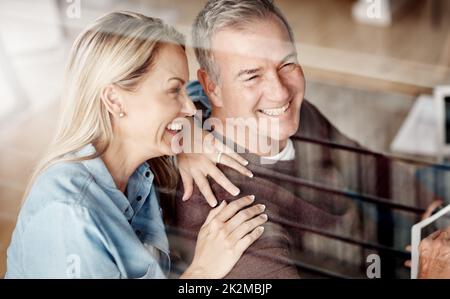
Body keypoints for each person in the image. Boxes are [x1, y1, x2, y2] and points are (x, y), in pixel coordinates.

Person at [168, 0, 440, 278]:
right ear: (212, 87)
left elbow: (368, 166)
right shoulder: (233, 218)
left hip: (375, 254)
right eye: (252, 76)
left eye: (287, 63)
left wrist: (435, 212)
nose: (280, 92)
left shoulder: (294, 118)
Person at [5, 11, 267, 279]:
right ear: (116, 101)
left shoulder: (135, 168)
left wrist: (190, 134)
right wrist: (202, 271)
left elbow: (201, 91)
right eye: (173, 91)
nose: (189, 106)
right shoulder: (70, 216)